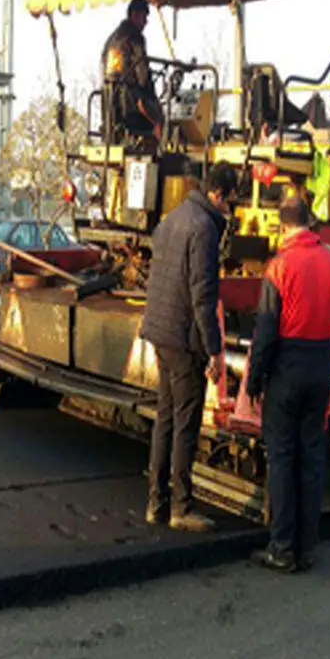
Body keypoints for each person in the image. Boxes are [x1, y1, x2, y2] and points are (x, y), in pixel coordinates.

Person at [245, 191, 330, 573]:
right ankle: (307, 546)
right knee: (312, 459)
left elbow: (266, 329)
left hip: (287, 369)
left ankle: (282, 547)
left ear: (283, 226)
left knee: (282, 458)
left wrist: (254, 381)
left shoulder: (279, 266)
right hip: (320, 366)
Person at [139, 162, 237, 532]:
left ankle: (156, 503)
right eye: (229, 200)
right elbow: (203, 295)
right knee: (186, 423)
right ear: (218, 195)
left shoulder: (172, 219)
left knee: (164, 418)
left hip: (160, 331)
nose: (229, 208)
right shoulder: (204, 229)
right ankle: (181, 507)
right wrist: (215, 349)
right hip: (184, 337)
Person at [101, 0, 164, 143]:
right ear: (134, 15)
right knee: (161, 119)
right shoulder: (135, 37)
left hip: (110, 106)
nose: (146, 22)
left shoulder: (111, 39)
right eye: (144, 16)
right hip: (130, 104)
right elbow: (143, 76)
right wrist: (153, 101)